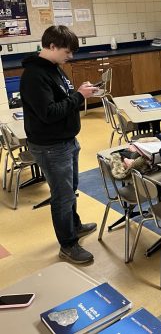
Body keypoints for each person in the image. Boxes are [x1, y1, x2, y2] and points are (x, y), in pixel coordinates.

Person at [20, 25, 98, 264]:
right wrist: (79, 96)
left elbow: (62, 98)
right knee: (62, 196)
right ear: (52, 46)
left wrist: (78, 92)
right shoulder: (34, 76)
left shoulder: (54, 68)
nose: (70, 57)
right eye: (67, 51)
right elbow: (49, 113)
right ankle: (68, 244)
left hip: (66, 141)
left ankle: (73, 226)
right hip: (51, 146)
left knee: (70, 188)